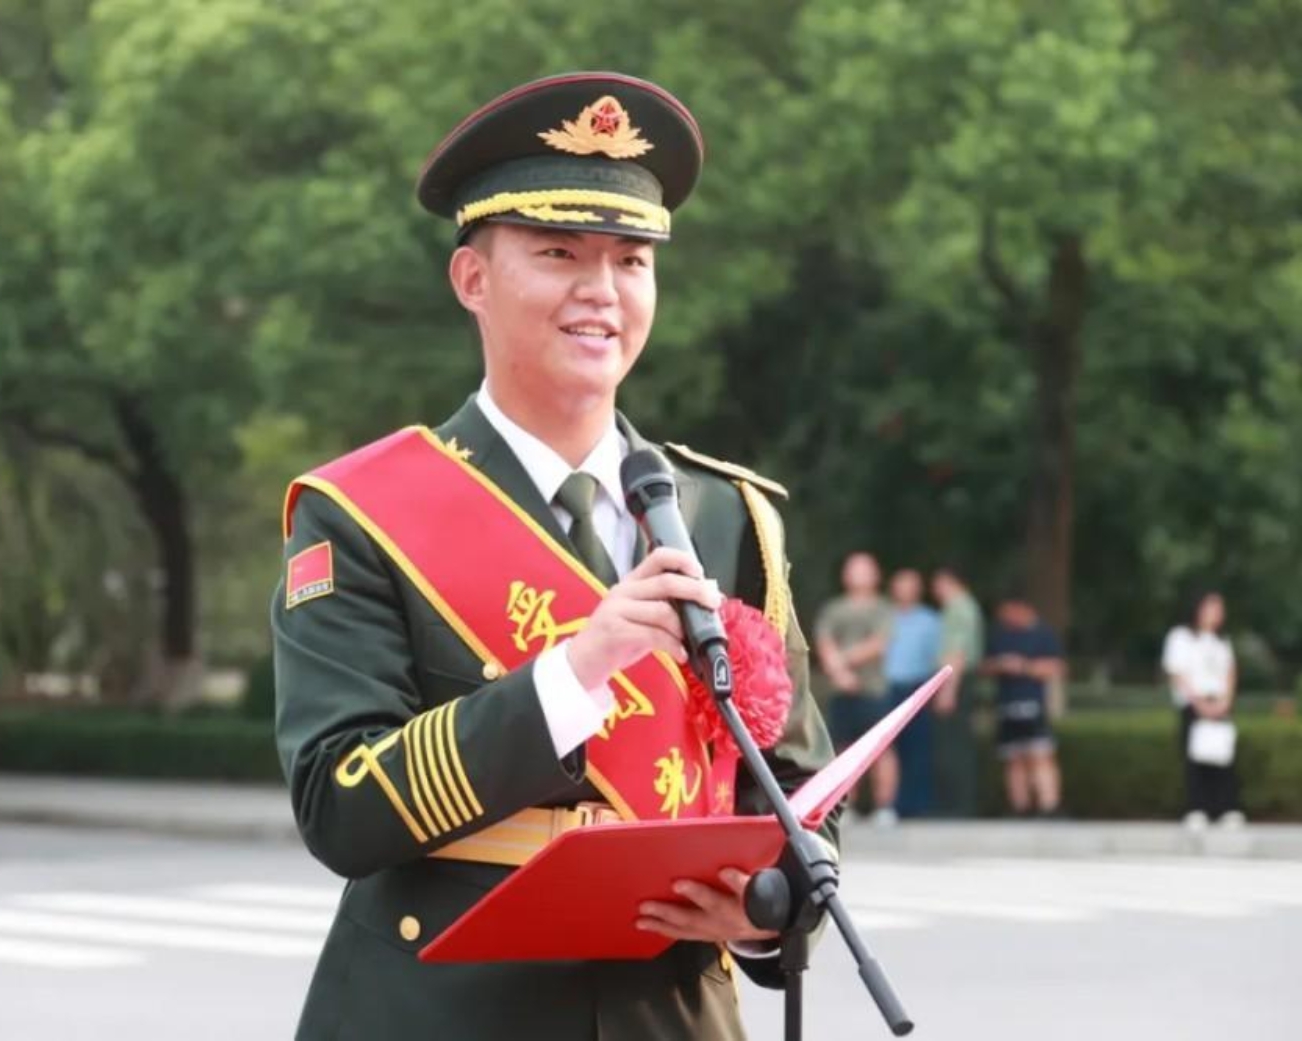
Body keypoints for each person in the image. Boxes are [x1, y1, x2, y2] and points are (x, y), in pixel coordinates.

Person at [270, 73, 835, 1041]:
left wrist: (767, 908)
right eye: (558, 253)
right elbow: (338, 805)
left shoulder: (724, 514)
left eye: (631, 260)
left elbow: (794, 795)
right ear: (472, 280)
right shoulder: (360, 514)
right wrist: (574, 673)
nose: (601, 291)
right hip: (443, 1013)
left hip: (670, 1015)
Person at [812, 552, 899, 824]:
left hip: (874, 691)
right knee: (843, 750)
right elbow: (824, 641)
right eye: (853, 568)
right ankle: (845, 806)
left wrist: (842, 661)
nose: (858, 574)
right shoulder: (834, 609)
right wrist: (839, 673)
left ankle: (885, 807)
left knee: (882, 750)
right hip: (841, 691)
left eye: (864, 569)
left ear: (876, 575)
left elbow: (879, 643)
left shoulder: (883, 609)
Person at [1162, 591, 1243, 830]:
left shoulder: (1222, 642)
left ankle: (1226, 808)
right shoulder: (1181, 637)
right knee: (1195, 759)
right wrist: (1199, 703)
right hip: (1193, 704)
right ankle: (1197, 808)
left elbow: (1230, 672)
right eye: (1211, 607)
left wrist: (1225, 701)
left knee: (1223, 757)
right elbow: (1177, 672)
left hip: (1220, 703)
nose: (1217, 613)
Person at [983, 593, 1064, 817]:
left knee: (1040, 754)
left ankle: (1049, 805)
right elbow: (984, 665)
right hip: (1007, 704)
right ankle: (1019, 806)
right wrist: (1000, 665)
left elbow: (1056, 667)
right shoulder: (1000, 635)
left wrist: (1024, 667)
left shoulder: (1043, 634)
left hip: (1033, 704)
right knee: (1013, 757)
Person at [881, 569, 941, 818]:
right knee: (888, 749)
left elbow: (937, 657)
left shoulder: (930, 621)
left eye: (910, 585)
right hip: (886, 688)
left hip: (917, 687)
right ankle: (890, 805)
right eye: (901, 585)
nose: (905, 590)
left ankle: (917, 805)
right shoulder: (883, 616)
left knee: (917, 748)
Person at [930, 566, 984, 817]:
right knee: (955, 744)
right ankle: (958, 804)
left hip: (956, 680)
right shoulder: (965, 606)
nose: (935, 590)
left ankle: (956, 805)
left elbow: (957, 652)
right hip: (958, 679)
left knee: (954, 746)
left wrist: (947, 690)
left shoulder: (958, 608)